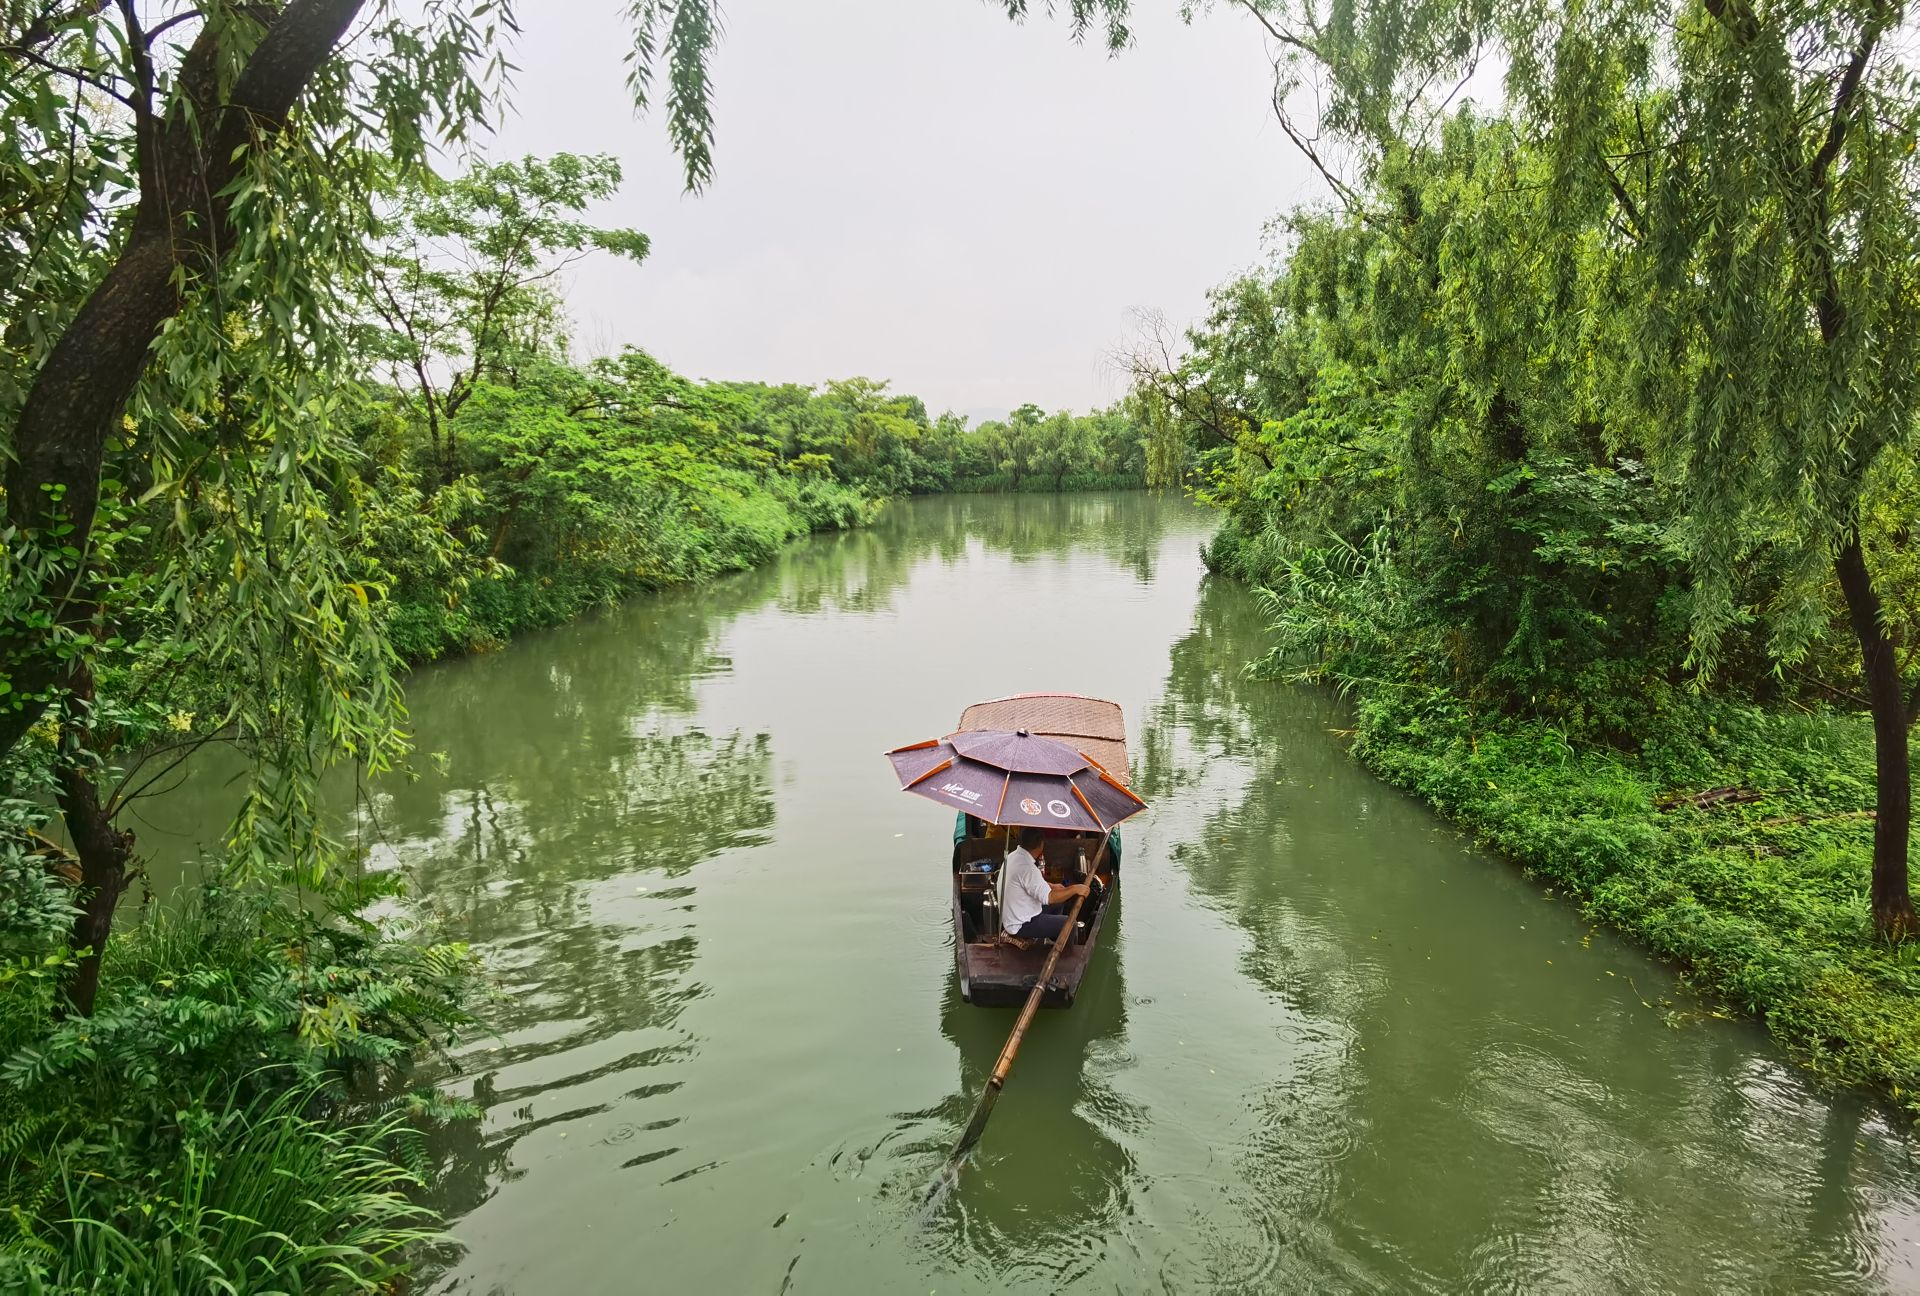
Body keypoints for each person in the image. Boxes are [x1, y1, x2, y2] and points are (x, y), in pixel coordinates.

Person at [1001, 826, 1090, 944]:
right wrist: (1075, 888)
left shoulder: (1013, 857)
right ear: (1040, 845)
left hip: (1017, 914)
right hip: (1021, 924)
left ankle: (1053, 937)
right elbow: (1050, 898)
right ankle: (1067, 958)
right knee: (1070, 924)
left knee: (1060, 901)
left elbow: (1027, 883)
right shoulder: (1028, 867)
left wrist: (1051, 886)